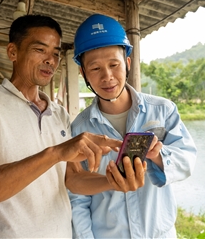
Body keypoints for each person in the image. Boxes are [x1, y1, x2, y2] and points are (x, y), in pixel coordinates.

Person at [0, 15, 128, 238]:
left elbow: (73, 179)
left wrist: (112, 182)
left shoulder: (59, 114)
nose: (51, 60)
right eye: (40, 50)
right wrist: (55, 153)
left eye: (56, 53)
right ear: (12, 52)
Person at [69, 14, 197, 238]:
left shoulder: (163, 110)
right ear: (83, 73)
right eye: (95, 68)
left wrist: (158, 156)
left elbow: (187, 161)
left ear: (127, 63)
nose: (107, 76)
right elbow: (78, 200)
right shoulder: (80, 129)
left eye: (114, 64)